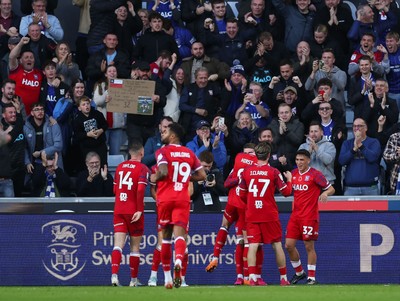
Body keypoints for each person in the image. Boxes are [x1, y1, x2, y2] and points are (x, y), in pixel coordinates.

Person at [150, 122, 206, 289]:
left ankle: (167, 279)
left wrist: (155, 178)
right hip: (182, 197)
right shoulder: (189, 153)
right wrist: (185, 178)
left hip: (165, 198)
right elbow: (202, 175)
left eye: (165, 131)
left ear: (173, 136)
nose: (162, 133)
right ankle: (179, 261)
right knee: (180, 236)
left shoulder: (162, 151)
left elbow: (164, 171)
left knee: (165, 238)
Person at [238, 141, 293, 286]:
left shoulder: (247, 172)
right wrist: (290, 180)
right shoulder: (273, 172)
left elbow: (241, 194)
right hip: (269, 214)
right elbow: (287, 192)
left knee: (253, 245)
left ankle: (252, 278)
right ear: (269, 155)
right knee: (276, 245)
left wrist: (251, 202)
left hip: (252, 214)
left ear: (256, 155)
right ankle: (283, 279)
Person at [205, 143, 256, 285]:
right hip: (242, 205)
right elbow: (227, 183)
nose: (247, 155)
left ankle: (239, 275)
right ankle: (246, 277)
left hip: (236, 203)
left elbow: (228, 183)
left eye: (250, 152)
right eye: (245, 152)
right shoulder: (255, 166)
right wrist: (240, 180)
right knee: (246, 242)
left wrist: (237, 180)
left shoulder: (238, 163)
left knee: (233, 235)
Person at [110, 141, 149, 287]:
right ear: (142, 153)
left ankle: (114, 276)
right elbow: (140, 190)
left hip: (119, 209)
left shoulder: (120, 167)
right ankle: (133, 280)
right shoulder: (142, 168)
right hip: (134, 211)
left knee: (118, 245)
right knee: (134, 247)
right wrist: (139, 209)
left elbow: (115, 191)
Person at [24, 102, 64, 195]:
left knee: (56, 189)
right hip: (35, 164)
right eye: (37, 109)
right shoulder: (26, 127)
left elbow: (59, 146)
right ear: (32, 113)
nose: (40, 111)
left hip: (52, 161)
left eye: (42, 109)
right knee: (36, 189)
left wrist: (41, 152)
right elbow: (24, 147)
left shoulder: (52, 123)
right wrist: (27, 162)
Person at [338, 118, 382, 196]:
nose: (356, 128)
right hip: (351, 188)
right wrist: (354, 149)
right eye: (354, 126)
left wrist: (360, 145)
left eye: (359, 126)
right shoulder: (347, 143)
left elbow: (372, 158)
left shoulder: (374, 142)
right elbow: (341, 161)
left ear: (366, 128)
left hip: (370, 188)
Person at [8, 36, 43, 115]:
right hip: (16, 113)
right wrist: (21, 43)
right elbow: (12, 56)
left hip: (33, 116)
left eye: (31, 57)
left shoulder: (39, 74)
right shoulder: (16, 70)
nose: (29, 59)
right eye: (26, 57)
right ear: (20, 61)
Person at [72, 96, 108, 170]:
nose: (86, 106)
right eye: (83, 104)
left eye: (88, 104)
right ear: (79, 108)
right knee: (88, 168)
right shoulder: (77, 120)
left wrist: (100, 131)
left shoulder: (97, 114)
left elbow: (105, 125)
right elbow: (77, 135)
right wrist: (87, 134)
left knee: (102, 165)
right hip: (86, 148)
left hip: (100, 146)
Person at [1, 102, 26, 197]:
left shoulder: (21, 125)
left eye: (15, 112)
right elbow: (11, 138)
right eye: (10, 112)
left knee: (18, 200)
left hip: (20, 169)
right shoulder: (2, 129)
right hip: (7, 171)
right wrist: (19, 113)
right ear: (4, 115)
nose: (13, 114)